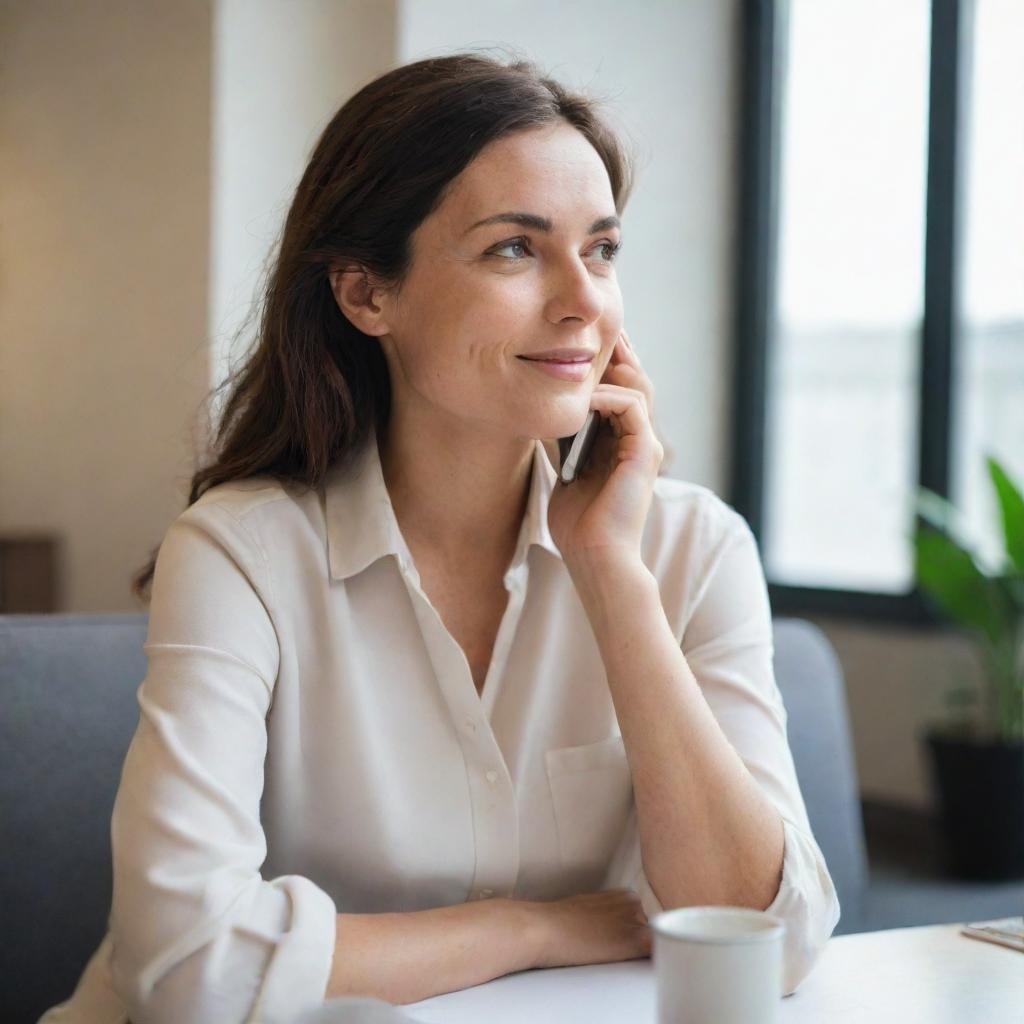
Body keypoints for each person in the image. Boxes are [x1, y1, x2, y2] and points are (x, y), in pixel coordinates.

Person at [39, 50, 840, 1024]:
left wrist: (608, 571)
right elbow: (188, 970)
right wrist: (535, 926)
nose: (584, 299)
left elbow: (773, 943)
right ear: (364, 294)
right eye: (515, 247)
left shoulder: (691, 548)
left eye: (601, 249)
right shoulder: (240, 554)